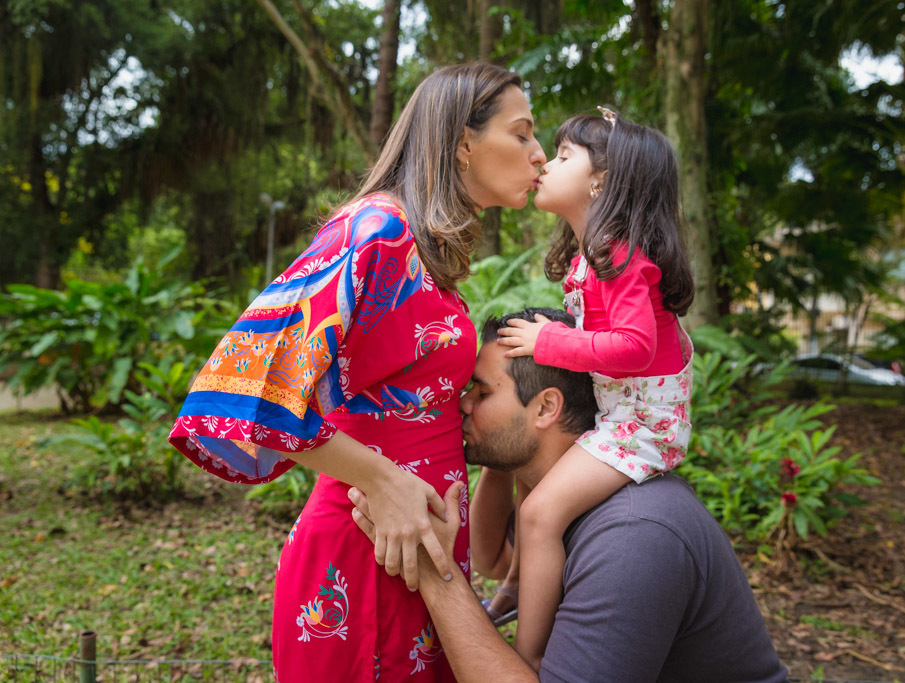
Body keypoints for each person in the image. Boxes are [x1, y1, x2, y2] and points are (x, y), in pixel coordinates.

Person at [167, 63, 546, 681]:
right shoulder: (377, 228)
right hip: (364, 554)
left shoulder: (420, 249)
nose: (539, 154)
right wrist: (385, 482)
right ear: (463, 143)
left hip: (416, 551)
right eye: (524, 133)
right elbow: (250, 386)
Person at [349, 308, 790, 682]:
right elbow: (493, 560)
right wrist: (498, 461)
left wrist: (435, 574)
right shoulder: (548, 490)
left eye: (481, 392)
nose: (461, 404)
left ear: (546, 408)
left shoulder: (633, 535)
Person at [489, 108, 696, 668]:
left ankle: (528, 660)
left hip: (642, 429)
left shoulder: (624, 259)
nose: (544, 163)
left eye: (561, 156)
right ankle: (516, 588)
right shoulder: (598, 256)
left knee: (538, 516)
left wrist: (548, 341)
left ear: (600, 180)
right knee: (532, 486)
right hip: (617, 413)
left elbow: (634, 348)